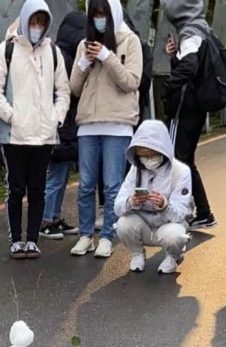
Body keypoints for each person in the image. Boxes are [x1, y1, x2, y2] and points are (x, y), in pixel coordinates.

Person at [0, 0, 70, 259]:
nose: (36, 27)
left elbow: (63, 90)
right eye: (33, 22)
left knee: (38, 188)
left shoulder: (52, 51)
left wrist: (55, 118)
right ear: (24, 21)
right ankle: (15, 241)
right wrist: (13, 117)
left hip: (44, 135)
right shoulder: (7, 49)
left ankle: (32, 239)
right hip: (14, 135)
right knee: (15, 188)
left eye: (41, 23)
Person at [69, 0, 142, 259]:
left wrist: (107, 57)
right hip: (88, 122)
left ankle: (108, 236)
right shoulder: (83, 45)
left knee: (112, 185)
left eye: (103, 14)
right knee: (86, 184)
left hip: (118, 124)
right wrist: (83, 64)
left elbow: (132, 82)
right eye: (95, 15)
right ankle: (85, 236)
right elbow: (74, 88)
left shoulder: (129, 41)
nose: (99, 19)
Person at [163, 0, 217, 230]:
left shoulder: (191, 31)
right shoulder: (201, 27)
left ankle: (186, 211)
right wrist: (175, 57)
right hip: (195, 107)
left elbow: (190, 67)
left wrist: (168, 87)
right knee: (185, 160)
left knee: (177, 161)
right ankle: (202, 212)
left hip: (185, 109)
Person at [114, 120, 192, 274]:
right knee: (123, 224)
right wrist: (131, 202)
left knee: (175, 235)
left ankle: (173, 256)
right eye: (144, 156)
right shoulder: (135, 169)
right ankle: (137, 253)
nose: (148, 160)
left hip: (168, 225)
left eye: (153, 155)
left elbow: (182, 212)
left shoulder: (180, 171)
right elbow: (117, 207)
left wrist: (165, 205)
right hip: (143, 224)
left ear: (163, 152)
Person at [39, 10, 85, 241]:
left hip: (65, 125)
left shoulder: (59, 54)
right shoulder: (63, 58)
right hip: (59, 125)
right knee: (56, 176)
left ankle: (54, 217)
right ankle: (45, 220)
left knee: (61, 174)